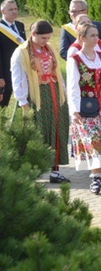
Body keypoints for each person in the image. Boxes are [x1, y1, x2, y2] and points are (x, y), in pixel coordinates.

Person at [67, 22, 101, 194]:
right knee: (93, 139)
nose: (96, 38)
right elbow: (73, 86)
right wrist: (74, 110)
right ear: (81, 38)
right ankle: (95, 179)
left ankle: (99, 178)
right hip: (87, 105)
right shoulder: (75, 59)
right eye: (92, 35)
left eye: (97, 35)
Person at [11, 20, 69, 183]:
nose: (46, 41)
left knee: (57, 129)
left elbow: (56, 71)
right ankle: (30, 173)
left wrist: (62, 92)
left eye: (48, 38)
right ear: (33, 34)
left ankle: (55, 171)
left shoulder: (49, 49)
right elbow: (18, 78)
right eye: (43, 38)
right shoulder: (21, 52)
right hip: (35, 97)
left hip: (53, 95)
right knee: (36, 131)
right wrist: (23, 101)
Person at [1, 0, 25, 107]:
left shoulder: (20, 26)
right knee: (3, 100)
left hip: (20, 67)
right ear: (3, 12)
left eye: (15, 9)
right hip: (5, 69)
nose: (14, 11)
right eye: (10, 9)